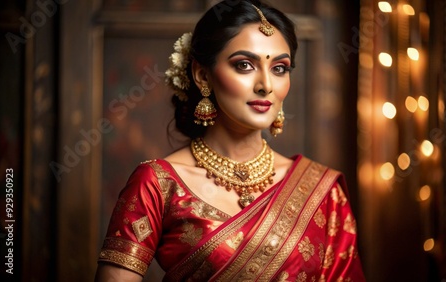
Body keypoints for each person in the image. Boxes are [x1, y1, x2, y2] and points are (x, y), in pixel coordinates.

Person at [95, 0, 365, 281]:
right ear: (203, 75)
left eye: (279, 68)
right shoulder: (158, 185)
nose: (266, 85)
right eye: (245, 65)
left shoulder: (323, 193)